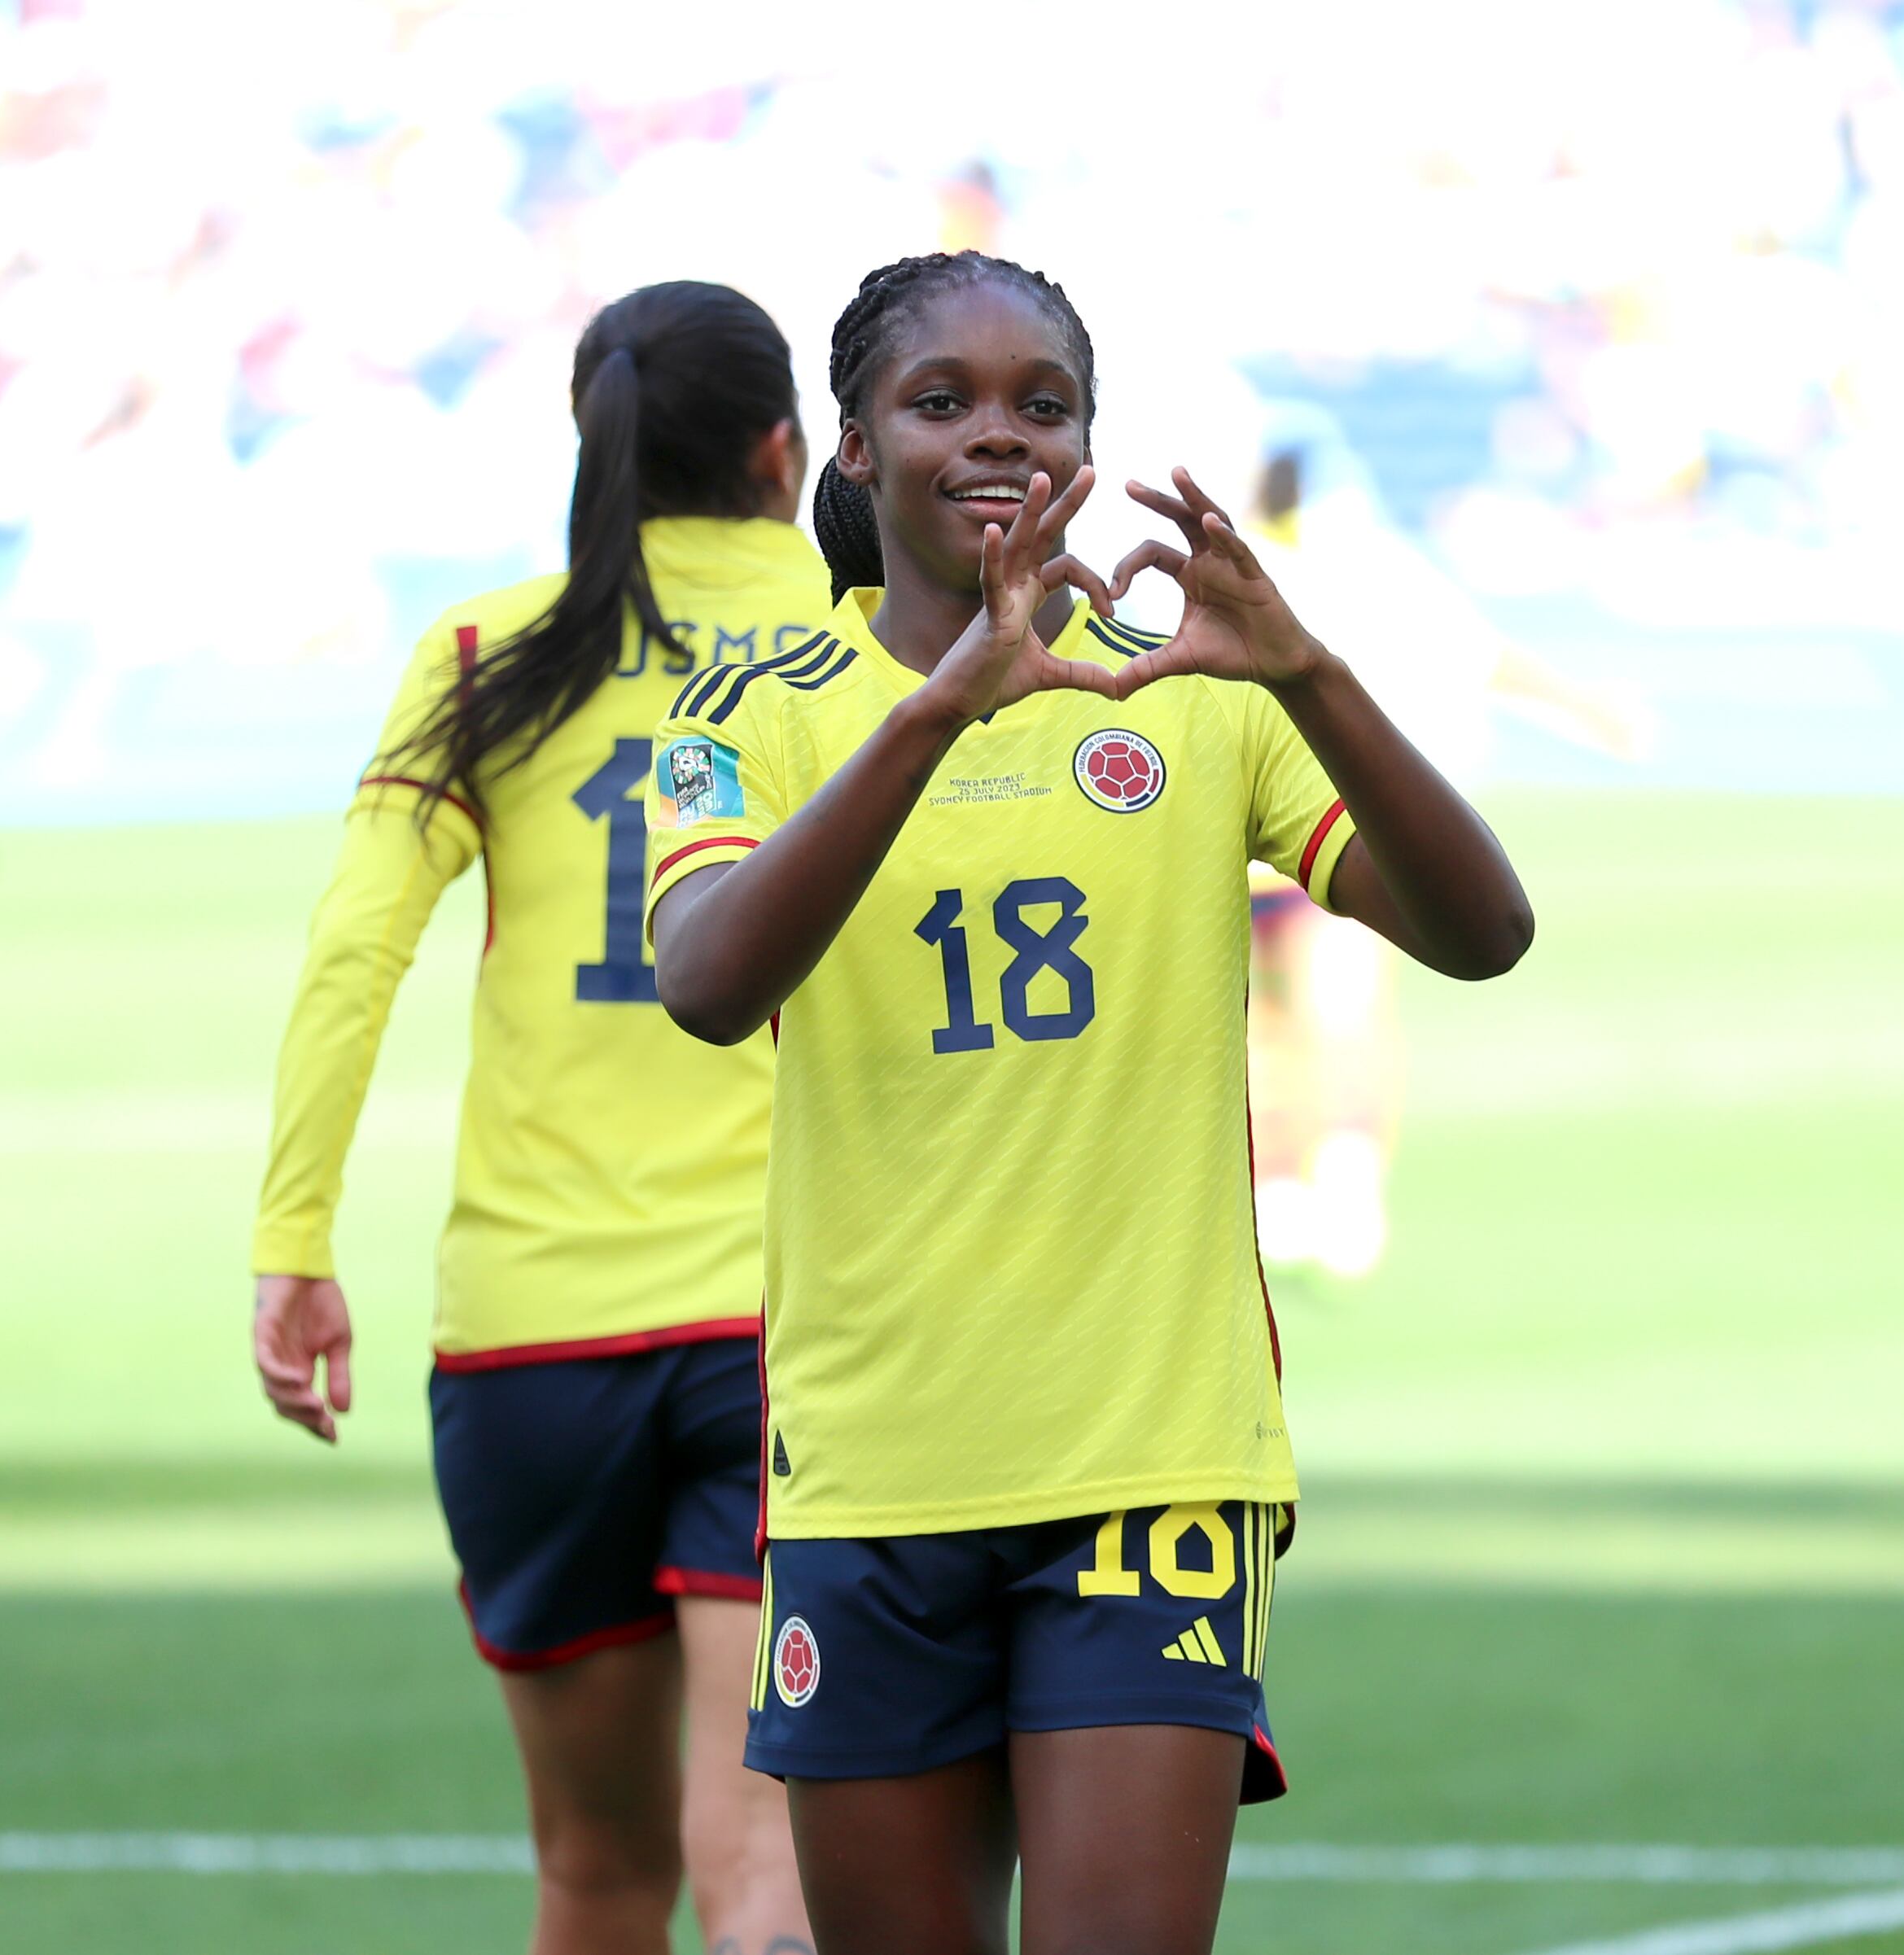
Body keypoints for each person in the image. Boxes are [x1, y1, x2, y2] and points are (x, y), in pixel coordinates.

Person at [645, 253, 1533, 1955]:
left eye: (1042, 405)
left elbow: (1483, 932)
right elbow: (706, 983)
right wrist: (937, 712)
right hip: (873, 1470)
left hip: (1152, 1465)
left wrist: (1308, 671)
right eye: (942, 401)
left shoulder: (1191, 689)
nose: (999, 437)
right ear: (848, 451)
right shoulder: (743, 715)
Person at [252, 282, 821, 1955]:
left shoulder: (484, 654)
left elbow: (354, 949)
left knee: (590, 1874)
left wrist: (294, 1241)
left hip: (525, 1350)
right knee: (766, 1870)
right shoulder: (864, 646)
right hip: (790, 1331)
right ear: (787, 451)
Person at [1239, 426, 1653, 1273]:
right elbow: (1483, 656)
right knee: (1331, 1013)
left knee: (1272, 1018)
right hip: (1330, 827)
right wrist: (1591, 710)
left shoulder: (1230, 560)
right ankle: (1334, 1188)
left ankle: (1290, 1191)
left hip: (1253, 828)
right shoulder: (1364, 561)